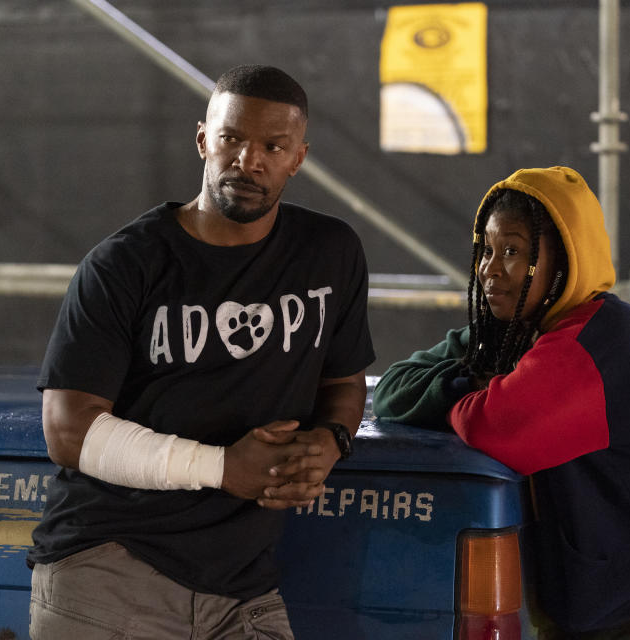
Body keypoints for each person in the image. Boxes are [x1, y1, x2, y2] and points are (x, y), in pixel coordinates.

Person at [27, 64, 375, 640]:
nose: (248, 160)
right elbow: (68, 433)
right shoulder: (124, 264)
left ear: (298, 157)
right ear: (202, 140)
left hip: (243, 585)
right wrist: (222, 468)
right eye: (231, 138)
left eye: (272, 145)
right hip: (111, 567)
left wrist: (330, 441)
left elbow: (343, 383)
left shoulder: (330, 252)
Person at [372, 166, 630, 638]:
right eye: (486, 250)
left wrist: (474, 388)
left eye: (513, 251)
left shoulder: (605, 336)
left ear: (565, 257)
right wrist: (475, 380)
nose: (490, 268)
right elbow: (394, 387)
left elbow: (496, 425)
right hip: (595, 608)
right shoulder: (507, 336)